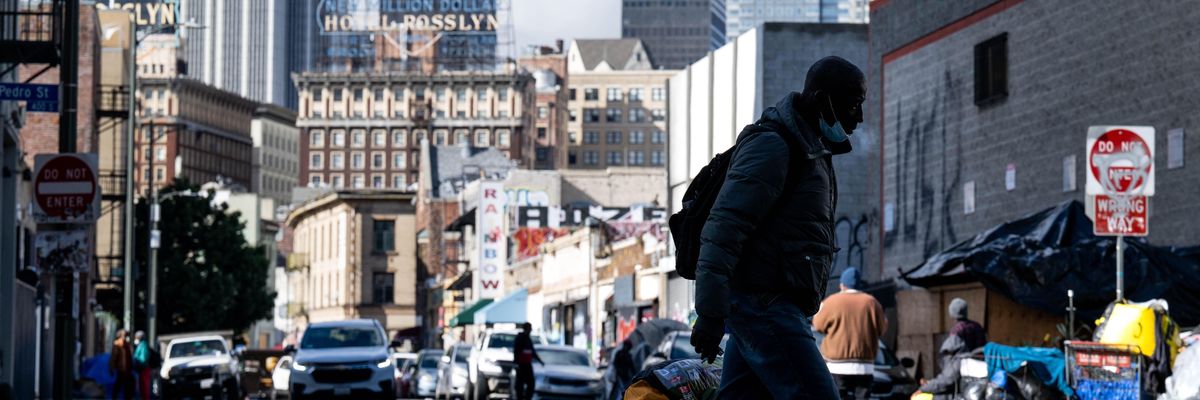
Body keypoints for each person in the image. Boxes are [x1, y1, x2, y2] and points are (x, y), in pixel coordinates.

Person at [691, 56, 865, 399]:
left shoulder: (810, 150)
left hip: (771, 306)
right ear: (820, 100)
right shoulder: (774, 145)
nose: (858, 116)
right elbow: (723, 229)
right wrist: (710, 313)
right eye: (853, 104)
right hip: (765, 306)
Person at [814, 267, 888, 400]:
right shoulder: (871, 302)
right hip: (864, 366)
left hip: (836, 366)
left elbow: (818, 325)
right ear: (859, 284)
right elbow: (882, 329)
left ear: (842, 284)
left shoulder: (831, 301)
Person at [513, 322, 544, 400]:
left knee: (530, 383)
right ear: (527, 329)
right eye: (530, 328)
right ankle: (520, 397)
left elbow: (532, 352)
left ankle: (527, 397)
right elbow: (517, 351)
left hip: (527, 364)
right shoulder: (520, 338)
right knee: (521, 383)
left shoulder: (528, 338)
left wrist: (540, 361)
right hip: (521, 365)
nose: (531, 330)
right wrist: (517, 363)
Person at [109, 329, 134, 400]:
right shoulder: (118, 344)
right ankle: (115, 397)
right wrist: (111, 367)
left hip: (127, 368)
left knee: (126, 385)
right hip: (121, 368)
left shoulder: (126, 344)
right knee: (119, 384)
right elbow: (114, 357)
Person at [132, 331, 151, 400]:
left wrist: (137, 363)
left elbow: (143, 358)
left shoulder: (143, 345)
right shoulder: (141, 345)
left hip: (143, 369)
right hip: (141, 369)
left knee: (144, 386)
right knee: (142, 386)